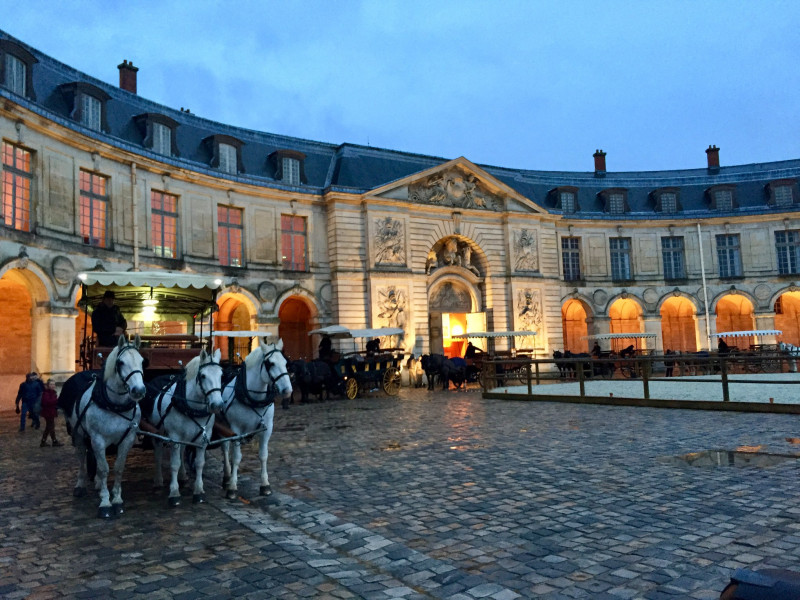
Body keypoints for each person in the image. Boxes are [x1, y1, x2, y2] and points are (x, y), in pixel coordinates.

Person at [39, 379, 62, 447]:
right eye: (51, 384)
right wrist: (56, 400)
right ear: (48, 385)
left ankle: (45, 441)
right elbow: (46, 402)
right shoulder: (46, 393)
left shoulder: (53, 392)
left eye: (54, 384)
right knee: (50, 427)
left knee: (49, 427)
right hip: (48, 412)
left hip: (51, 411)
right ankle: (53, 441)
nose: (53, 386)